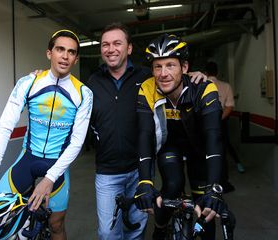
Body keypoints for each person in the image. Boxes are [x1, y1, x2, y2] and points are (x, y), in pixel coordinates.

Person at [86, 22, 207, 240]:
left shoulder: (148, 77)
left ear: (129, 48)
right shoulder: (92, 82)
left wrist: (194, 76)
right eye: (105, 44)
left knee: (136, 231)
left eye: (117, 43)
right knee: (107, 233)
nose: (110, 49)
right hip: (107, 170)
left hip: (140, 169)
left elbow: (175, 77)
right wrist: (45, 75)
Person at [0, 29, 93, 240]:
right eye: (60, 49)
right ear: (50, 53)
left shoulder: (84, 93)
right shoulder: (28, 82)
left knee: (56, 225)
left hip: (57, 165)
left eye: (71, 52)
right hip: (27, 158)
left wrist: (49, 178)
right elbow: (4, 127)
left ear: (76, 59)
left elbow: (77, 142)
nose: (65, 56)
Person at [134, 34, 226, 240]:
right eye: (157, 67)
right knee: (172, 187)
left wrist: (215, 187)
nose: (163, 73)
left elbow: (214, 137)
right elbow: (144, 134)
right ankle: (160, 227)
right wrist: (145, 182)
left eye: (170, 65)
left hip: (200, 151)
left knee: (206, 208)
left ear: (184, 67)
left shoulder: (203, 88)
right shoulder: (147, 88)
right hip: (170, 148)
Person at [205, 61, 245, 180]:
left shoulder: (202, 84)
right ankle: (237, 164)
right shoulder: (226, 86)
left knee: (205, 144)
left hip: (205, 120)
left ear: (205, 73)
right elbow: (229, 106)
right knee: (225, 143)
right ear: (217, 72)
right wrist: (219, 119)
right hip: (221, 119)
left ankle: (209, 170)